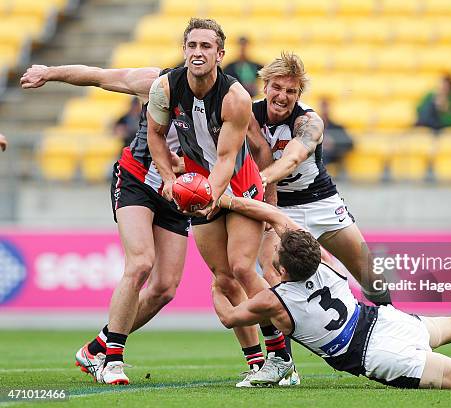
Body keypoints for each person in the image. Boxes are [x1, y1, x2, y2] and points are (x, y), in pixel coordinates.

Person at [20, 61, 271, 386]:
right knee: (140, 264)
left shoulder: (225, 98)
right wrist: (49, 72)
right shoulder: (157, 83)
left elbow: (239, 150)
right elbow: (98, 76)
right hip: (139, 178)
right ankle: (112, 359)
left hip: (183, 193)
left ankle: (97, 346)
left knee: (165, 288)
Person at [211, 194, 451, 387]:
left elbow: (230, 316)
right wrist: (230, 200)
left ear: (278, 268)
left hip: (375, 353)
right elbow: (276, 217)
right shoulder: (325, 261)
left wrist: (217, 280)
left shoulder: (273, 301)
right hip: (383, 319)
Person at [146, 18, 291, 387]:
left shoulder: (236, 97)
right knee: (223, 277)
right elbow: (155, 135)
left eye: (206, 46)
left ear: (220, 54)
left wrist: (212, 193)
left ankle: (282, 359)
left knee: (243, 268)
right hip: (197, 187)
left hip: (239, 186)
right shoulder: (164, 88)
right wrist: (168, 179)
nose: (198, 52)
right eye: (192, 45)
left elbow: (227, 158)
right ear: (184, 50)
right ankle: (257, 363)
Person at [250, 52, 392, 307]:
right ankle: (281, 348)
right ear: (265, 86)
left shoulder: (309, 122)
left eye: (291, 91)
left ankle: (394, 326)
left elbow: (293, 158)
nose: (282, 96)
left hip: (319, 202)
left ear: (299, 94)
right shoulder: (247, 116)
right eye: (277, 87)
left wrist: (261, 178)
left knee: (372, 275)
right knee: (272, 273)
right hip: (277, 206)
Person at [319, 98, 354, 166]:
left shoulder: (337, 127)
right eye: (323, 106)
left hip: (332, 160)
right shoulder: (312, 127)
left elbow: (350, 144)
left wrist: (333, 144)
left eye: (326, 106)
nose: (324, 109)